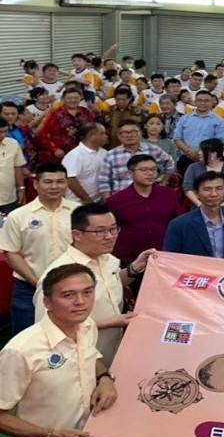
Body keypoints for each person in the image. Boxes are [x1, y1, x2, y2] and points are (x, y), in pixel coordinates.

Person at [0, 263, 118, 437]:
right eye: (68, 295)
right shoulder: (20, 351)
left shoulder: (87, 327)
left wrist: (104, 378)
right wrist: (52, 436)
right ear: (47, 302)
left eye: (87, 292)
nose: (81, 301)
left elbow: (90, 355)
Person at [33, 203, 153, 363]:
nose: (110, 236)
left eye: (113, 229)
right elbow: (48, 329)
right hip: (78, 360)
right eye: (100, 231)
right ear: (77, 234)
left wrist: (134, 268)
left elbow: (112, 284)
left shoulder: (108, 259)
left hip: (111, 353)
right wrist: (109, 322)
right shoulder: (59, 274)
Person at [0, 163, 76, 336]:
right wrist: (38, 283)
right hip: (28, 289)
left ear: (66, 184)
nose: (55, 186)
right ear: (36, 184)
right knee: (27, 339)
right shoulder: (18, 216)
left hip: (73, 287)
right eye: (48, 182)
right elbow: (11, 252)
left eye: (60, 182)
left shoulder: (78, 212)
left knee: (70, 337)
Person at [106, 154, 180, 269]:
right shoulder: (115, 200)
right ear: (131, 173)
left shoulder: (169, 195)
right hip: (129, 260)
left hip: (163, 257)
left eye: (153, 169)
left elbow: (176, 223)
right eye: (144, 170)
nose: (150, 173)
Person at [163, 171, 224, 261]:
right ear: (196, 193)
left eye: (219, 188)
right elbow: (170, 259)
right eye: (207, 189)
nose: (214, 194)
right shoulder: (179, 224)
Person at [172, 89, 224, 176]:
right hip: (186, 158)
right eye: (200, 100)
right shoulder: (184, 118)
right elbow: (177, 138)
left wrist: (199, 153)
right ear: (195, 102)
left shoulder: (219, 121)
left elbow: (218, 141)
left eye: (206, 101)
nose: (203, 103)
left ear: (212, 102)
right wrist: (190, 152)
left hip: (208, 159)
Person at [182, 138, 224, 208]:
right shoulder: (193, 168)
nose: (199, 153)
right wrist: (199, 204)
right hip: (199, 208)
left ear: (214, 154)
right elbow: (187, 188)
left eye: (202, 151)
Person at [35, 88, 95, 163]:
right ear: (63, 99)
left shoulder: (86, 112)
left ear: (80, 98)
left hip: (85, 152)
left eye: (76, 98)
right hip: (63, 155)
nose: (73, 100)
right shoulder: (54, 114)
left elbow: (93, 130)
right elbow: (41, 134)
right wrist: (55, 149)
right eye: (69, 98)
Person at [0, 117, 27, 214]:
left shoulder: (13, 144)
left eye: (5, 131)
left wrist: (21, 188)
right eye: (0, 132)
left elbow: (17, 167)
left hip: (8, 197)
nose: (2, 135)